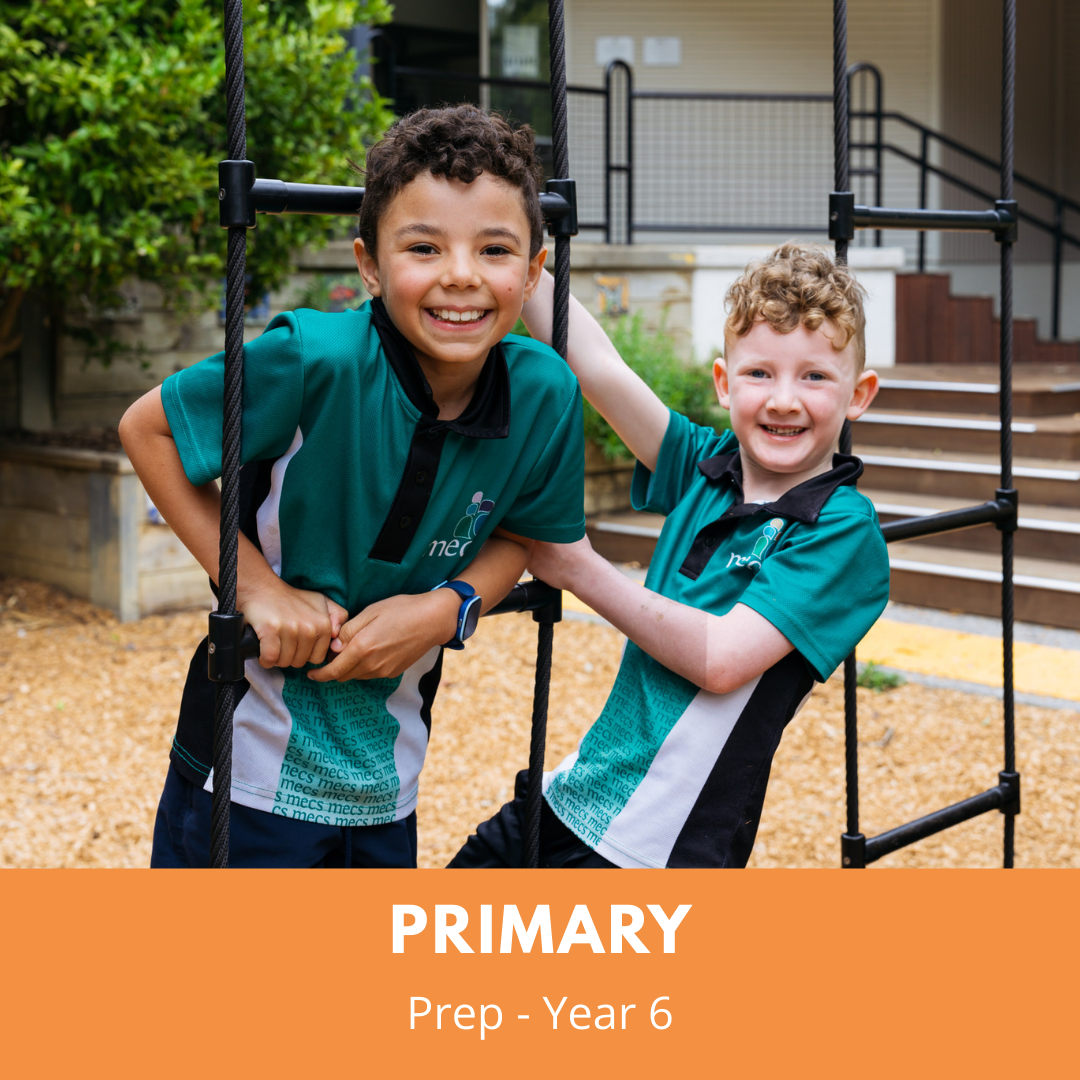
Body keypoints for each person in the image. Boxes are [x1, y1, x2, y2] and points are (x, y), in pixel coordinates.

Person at [119, 105, 586, 868]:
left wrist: (447, 608)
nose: (461, 274)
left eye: (495, 249)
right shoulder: (315, 359)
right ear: (369, 265)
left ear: (534, 272)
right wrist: (259, 588)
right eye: (424, 247)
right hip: (245, 772)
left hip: (389, 784)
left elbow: (520, 533)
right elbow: (148, 429)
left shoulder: (544, 394)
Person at [450, 243, 890, 869]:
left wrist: (578, 567)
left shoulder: (843, 530)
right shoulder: (704, 471)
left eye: (814, 376)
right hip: (570, 797)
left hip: (656, 850)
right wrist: (512, 260)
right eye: (759, 373)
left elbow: (719, 659)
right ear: (723, 382)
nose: (784, 399)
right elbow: (598, 367)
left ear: (858, 394)